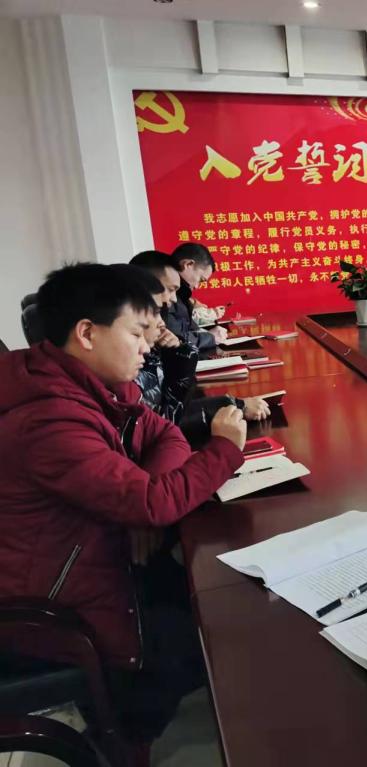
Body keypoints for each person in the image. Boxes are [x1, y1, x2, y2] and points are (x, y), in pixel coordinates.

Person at [0, 263, 247, 760]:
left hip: (92, 560)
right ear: (87, 334)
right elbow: (154, 503)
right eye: (135, 333)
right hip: (52, 609)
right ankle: (124, 739)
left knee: (205, 595)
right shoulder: (48, 419)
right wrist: (224, 449)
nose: (146, 347)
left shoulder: (91, 387)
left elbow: (165, 436)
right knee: (208, 636)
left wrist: (141, 503)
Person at [127, 254, 269, 438]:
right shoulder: (125, 371)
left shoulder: (153, 345)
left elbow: (169, 413)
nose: (171, 300)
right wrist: (233, 406)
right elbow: (159, 428)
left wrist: (180, 351)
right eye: (170, 290)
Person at [167, 242, 227, 353]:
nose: (197, 286)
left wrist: (206, 334)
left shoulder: (181, 295)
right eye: (201, 280)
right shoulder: (164, 295)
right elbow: (175, 337)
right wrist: (210, 337)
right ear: (188, 264)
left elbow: (190, 329)